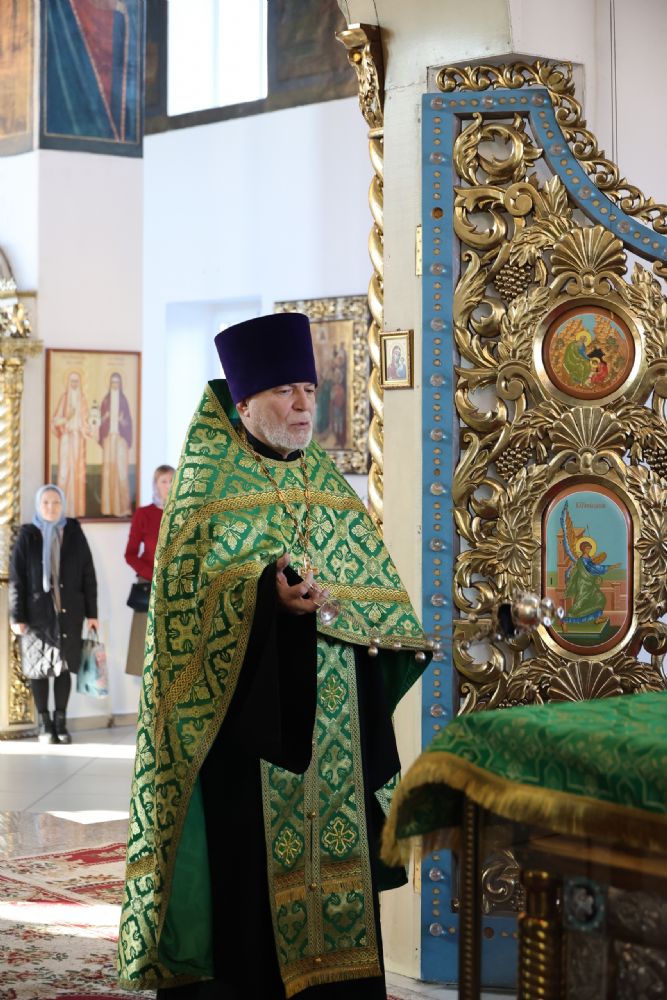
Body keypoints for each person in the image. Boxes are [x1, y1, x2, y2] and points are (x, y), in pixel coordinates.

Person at [118, 313, 430, 998]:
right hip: (244, 733)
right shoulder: (207, 483)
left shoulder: (326, 481)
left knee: (338, 881)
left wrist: (356, 612)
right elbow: (186, 606)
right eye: (285, 391)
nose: (302, 405)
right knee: (251, 901)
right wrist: (264, 594)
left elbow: (367, 582)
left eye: (309, 391)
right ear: (245, 401)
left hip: (335, 733)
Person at [9, 485, 98, 744]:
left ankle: (61, 723)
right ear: (38, 505)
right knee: (38, 669)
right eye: (46, 502)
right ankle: (44, 725)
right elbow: (17, 579)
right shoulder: (28, 535)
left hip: (69, 613)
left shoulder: (74, 532)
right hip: (36, 614)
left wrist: (93, 613)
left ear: (63, 505)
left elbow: (88, 574)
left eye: (56, 502)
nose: (51, 507)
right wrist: (17, 616)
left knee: (64, 667)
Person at [123, 464, 175, 676]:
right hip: (148, 586)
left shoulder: (184, 514)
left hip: (176, 585)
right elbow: (130, 554)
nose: (169, 485)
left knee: (172, 648)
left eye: (172, 480)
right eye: (164, 481)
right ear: (156, 485)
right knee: (144, 651)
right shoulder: (144, 514)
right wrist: (153, 575)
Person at [51, 370, 91, 517]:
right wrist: (66, 418)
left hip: (78, 439)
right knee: (65, 471)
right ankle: (63, 509)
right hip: (66, 439)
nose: (74, 384)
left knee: (77, 473)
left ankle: (76, 509)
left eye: (76, 381)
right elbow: (55, 421)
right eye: (72, 381)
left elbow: (87, 421)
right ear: (68, 382)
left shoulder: (83, 400)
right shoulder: (64, 398)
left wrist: (88, 427)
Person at [99, 371, 133, 517]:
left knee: (121, 472)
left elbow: (128, 422)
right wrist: (105, 418)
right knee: (108, 471)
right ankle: (107, 508)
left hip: (120, 439)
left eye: (117, 382)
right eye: (113, 382)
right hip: (109, 439)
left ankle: (123, 508)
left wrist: (122, 421)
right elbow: (100, 421)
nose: (115, 385)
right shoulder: (106, 401)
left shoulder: (124, 400)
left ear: (120, 384)